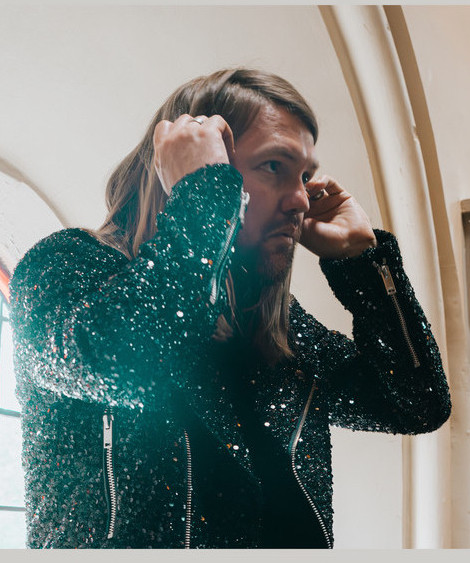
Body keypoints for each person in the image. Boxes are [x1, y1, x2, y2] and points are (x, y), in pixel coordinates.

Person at [10, 68, 451, 549]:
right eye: (274, 166)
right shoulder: (66, 267)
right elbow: (131, 363)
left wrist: (363, 263)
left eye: (304, 176)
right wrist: (205, 197)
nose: (301, 200)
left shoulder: (276, 328)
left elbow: (418, 404)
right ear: (186, 166)